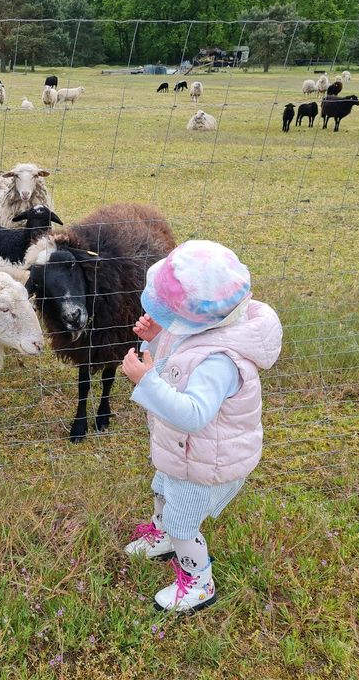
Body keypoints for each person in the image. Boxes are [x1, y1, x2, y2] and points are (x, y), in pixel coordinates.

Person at [121, 240, 282, 613]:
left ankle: (198, 581)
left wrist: (146, 381)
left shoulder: (220, 362)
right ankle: (162, 535)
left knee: (184, 523)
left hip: (204, 463)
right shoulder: (202, 328)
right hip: (183, 452)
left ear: (199, 317)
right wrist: (158, 337)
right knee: (161, 489)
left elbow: (194, 414)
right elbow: (180, 358)